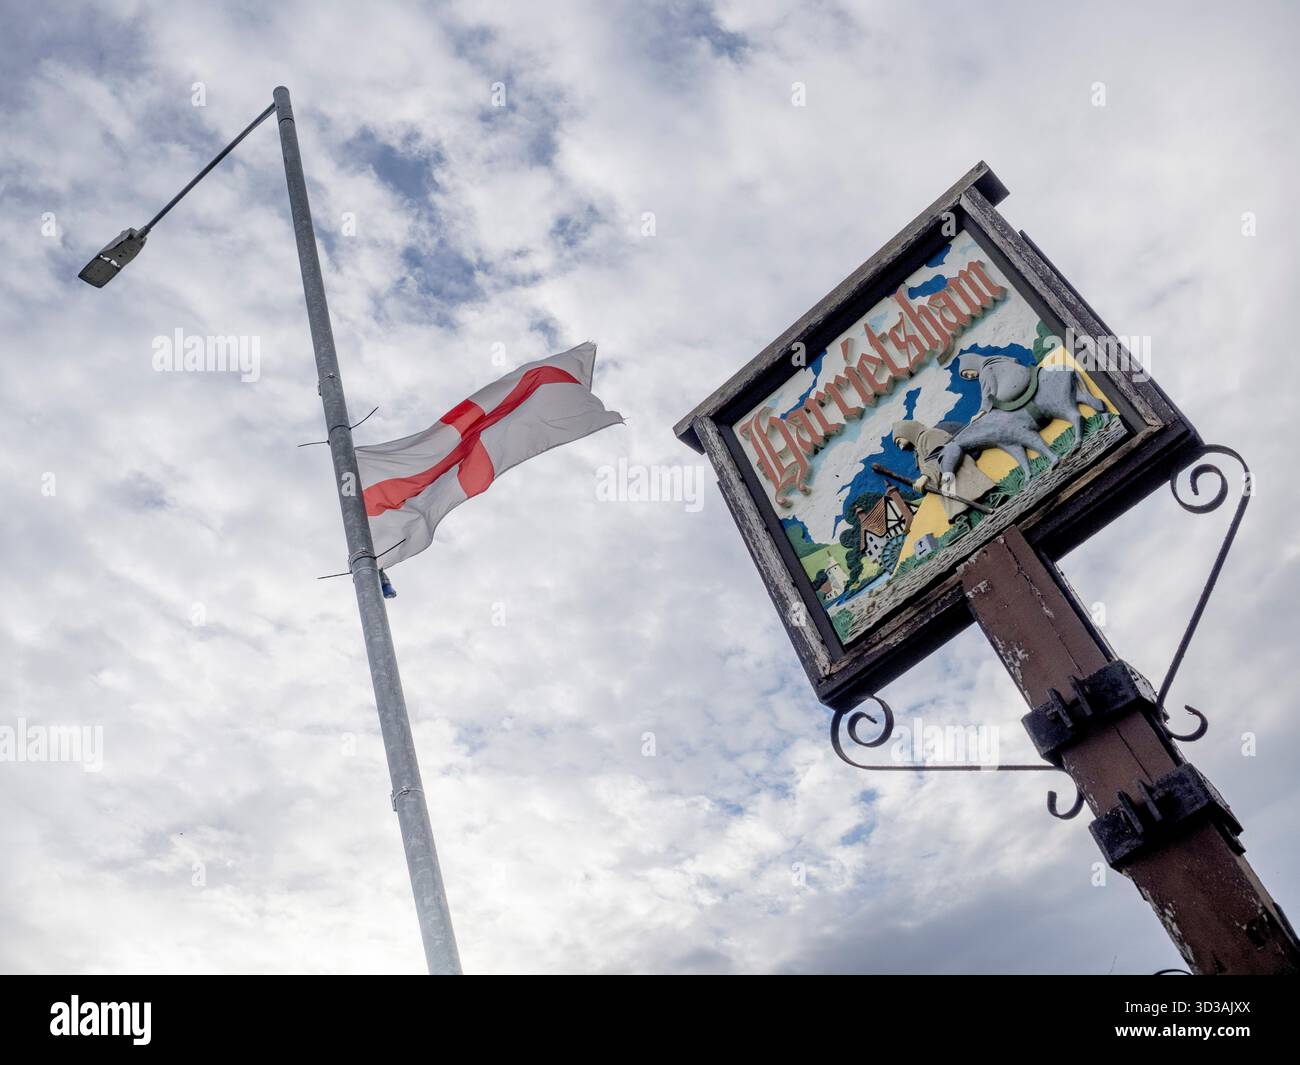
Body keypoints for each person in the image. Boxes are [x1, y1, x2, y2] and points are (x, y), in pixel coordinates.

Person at [891, 419, 996, 523]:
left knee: (969, 486)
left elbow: (937, 456)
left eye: (899, 441)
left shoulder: (929, 435)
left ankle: (991, 497)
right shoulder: (918, 449)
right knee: (950, 497)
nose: (901, 447)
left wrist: (925, 477)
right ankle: (962, 519)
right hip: (942, 478)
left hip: (955, 468)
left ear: (906, 432)